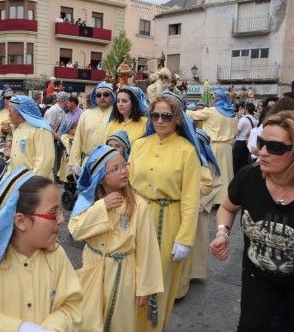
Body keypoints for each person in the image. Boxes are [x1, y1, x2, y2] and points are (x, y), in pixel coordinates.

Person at [0, 167, 83, 331]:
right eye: (53, 213)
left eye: (60, 211)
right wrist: (19, 328)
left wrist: (54, 327)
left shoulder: (57, 254)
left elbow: (72, 304)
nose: (61, 220)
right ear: (21, 221)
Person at [210, 111, 294, 331]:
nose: (263, 152)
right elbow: (227, 207)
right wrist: (222, 232)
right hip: (256, 281)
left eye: (275, 147)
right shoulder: (249, 176)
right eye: (261, 142)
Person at [68, 145, 163, 332]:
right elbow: (76, 230)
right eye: (115, 169)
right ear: (101, 177)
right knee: (89, 319)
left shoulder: (139, 205)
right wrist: (101, 206)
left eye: (124, 165)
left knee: (119, 321)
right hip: (92, 268)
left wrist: (145, 287)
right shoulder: (89, 202)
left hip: (123, 271)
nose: (123, 171)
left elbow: (147, 249)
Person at [131, 91, 202, 332]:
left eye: (166, 116)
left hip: (168, 220)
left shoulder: (187, 151)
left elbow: (191, 199)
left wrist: (184, 238)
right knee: (133, 275)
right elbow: (128, 187)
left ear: (178, 119)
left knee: (158, 280)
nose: (159, 121)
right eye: (155, 115)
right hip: (137, 217)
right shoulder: (139, 145)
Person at [176, 128, 222, 299]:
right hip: (184, 206)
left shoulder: (208, 162)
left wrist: (202, 204)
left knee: (197, 242)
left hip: (200, 209)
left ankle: (194, 272)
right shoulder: (187, 157)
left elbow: (216, 184)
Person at [187, 87, 238, 205]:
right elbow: (236, 133)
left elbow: (191, 115)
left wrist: (186, 106)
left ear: (219, 99)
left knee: (212, 173)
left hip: (213, 145)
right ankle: (225, 198)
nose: (211, 100)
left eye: (213, 97)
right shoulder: (233, 115)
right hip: (227, 148)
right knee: (226, 173)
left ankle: (212, 199)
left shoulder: (212, 111)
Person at [69, 82, 115, 174]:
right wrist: (74, 162)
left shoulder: (117, 115)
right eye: (98, 95)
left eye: (106, 94)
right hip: (88, 162)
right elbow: (78, 138)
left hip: (110, 163)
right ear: (95, 97)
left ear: (112, 96)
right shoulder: (86, 114)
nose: (102, 97)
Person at [6, 95, 55, 179]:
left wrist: (31, 186)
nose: (9, 115)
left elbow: (44, 163)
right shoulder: (17, 130)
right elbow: (14, 159)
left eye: (10, 111)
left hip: (36, 187)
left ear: (19, 111)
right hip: (18, 184)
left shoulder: (41, 129)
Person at [233, 103, 257, 175]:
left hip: (240, 142)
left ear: (246, 109)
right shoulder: (254, 119)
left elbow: (236, 131)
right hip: (248, 142)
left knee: (236, 163)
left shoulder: (243, 119)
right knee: (244, 162)